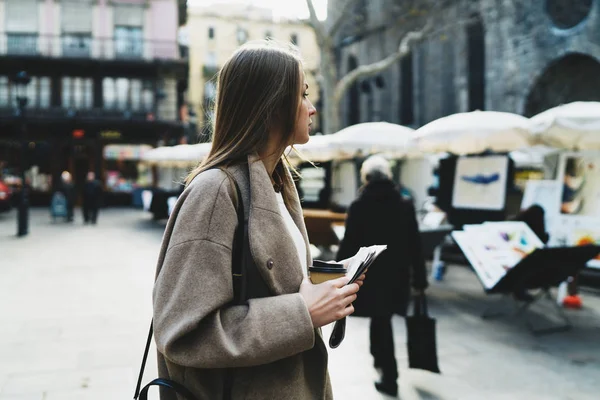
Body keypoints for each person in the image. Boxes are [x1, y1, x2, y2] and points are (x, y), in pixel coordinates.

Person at [152, 40, 365, 400]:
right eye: (303, 95)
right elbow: (182, 333)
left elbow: (277, 285)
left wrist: (331, 285)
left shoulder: (276, 182)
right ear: (272, 106)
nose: (312, 109)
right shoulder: (216, 190)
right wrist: (303, 313)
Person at [337, 155, 429, 398]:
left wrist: (337, 274)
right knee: (382, 320)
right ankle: (385, 371)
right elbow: (415, 245)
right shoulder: (404, 204)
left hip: (370, 276)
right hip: (397, 276)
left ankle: (388, 376)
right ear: (389, 177)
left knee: (381, 322)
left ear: (366, 178)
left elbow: (348, 246)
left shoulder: (359, 206)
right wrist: (420, 280)